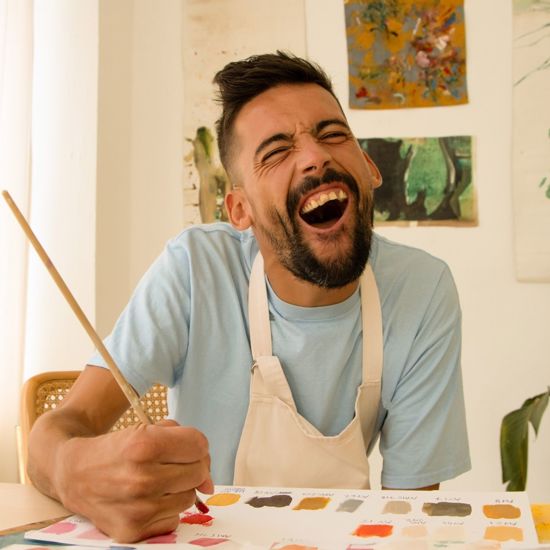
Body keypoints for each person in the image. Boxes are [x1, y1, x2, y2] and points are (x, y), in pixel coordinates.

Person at [27, 51, 470, 543]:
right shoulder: (195, 270)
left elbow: (411, 514)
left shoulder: (422, 289)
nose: (315, 156)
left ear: (368, 169)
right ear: (239, 209)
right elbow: (61, 429)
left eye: (332, 134)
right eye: (276, 151)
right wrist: (74, 470)